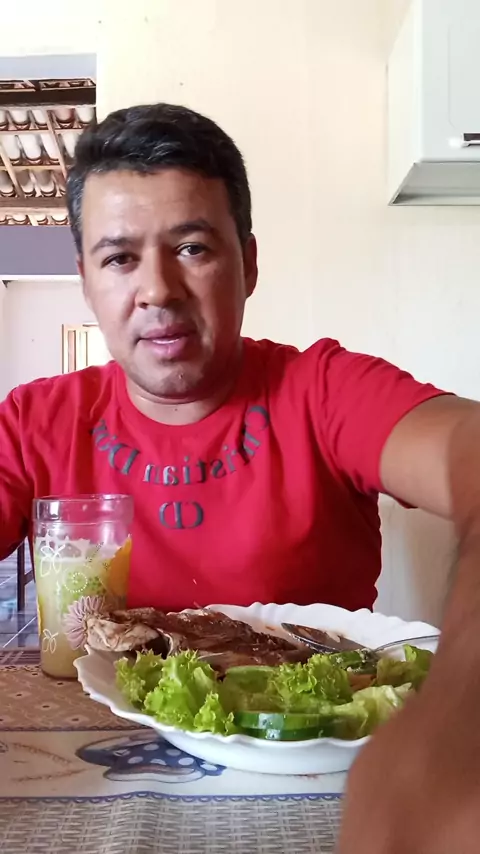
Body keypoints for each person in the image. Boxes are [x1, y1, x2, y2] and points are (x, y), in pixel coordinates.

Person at [0, 103, 479, 851]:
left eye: (192, 248)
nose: (157, 289)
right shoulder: (36, 419)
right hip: (86, 782)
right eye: (119, 258)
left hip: (315, 783)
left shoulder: (323, 391)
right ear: (86, 282)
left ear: (248, 264)